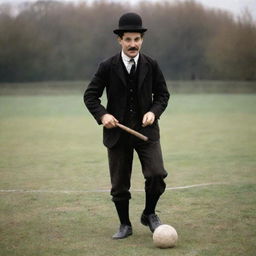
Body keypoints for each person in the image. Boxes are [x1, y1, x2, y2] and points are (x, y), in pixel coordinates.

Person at [84, 12, 170, 239]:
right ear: (119, 40)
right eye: (128, 39)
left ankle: (149, 213)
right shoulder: (107, 66)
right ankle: (125, 225)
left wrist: (153, 111)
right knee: (120, 184)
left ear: (142, 39)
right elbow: (90, 96)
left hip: (146, 132)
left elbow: (162, 95)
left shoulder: (152, 65)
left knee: (157, 174)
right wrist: (103, 116)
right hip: (117, 134)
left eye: (137, 39)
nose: (133, 44)